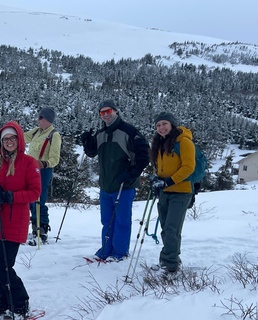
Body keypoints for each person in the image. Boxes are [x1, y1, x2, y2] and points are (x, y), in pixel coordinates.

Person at [0, 122, 41, 318]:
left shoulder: (29, 163)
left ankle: (20, 304)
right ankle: (2, 303)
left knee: (3, 266)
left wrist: (11, 197)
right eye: (5, 139)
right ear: (1, 142)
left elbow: (35, 192)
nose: (9, 142)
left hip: (14, 223)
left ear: (19, 139)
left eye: (12, 138)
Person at [81, 100, 149, 262]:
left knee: (122, 220)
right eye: (102, 112)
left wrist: (131, 173)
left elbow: (144, 155)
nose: (105, 115)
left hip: (124, 185)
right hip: (106, 184)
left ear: (116, 111)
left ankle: (120, 252)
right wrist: (87, 143)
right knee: (107, 220)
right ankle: (105, 250)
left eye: (108, 111)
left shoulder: (129, 131)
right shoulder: (100, 134)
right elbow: (92, 153)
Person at [149, 112, 195, 275]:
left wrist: (169, 181)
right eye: (158, 125)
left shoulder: (184, 142)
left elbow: (188, 167)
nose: (161, 128)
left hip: (181, 191)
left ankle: (170, 265)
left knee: (171, 228)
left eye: (164, 124)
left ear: (172, 124)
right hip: (165, 192)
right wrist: (156, 177)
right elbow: (160, 166)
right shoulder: (160, 142)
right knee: (165, 228)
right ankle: (170, 259)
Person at [24, 106, 62, 244]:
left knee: (39, 201)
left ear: (47, 119)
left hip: (43, 171)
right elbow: (23, 137)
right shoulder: (36, 132)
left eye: (40, 117)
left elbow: (55, 158)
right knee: (30, 200)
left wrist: (44, 163)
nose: (38, 120)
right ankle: (35, 228)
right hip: (29, 170)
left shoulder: (54, 135)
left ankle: (42, 230)